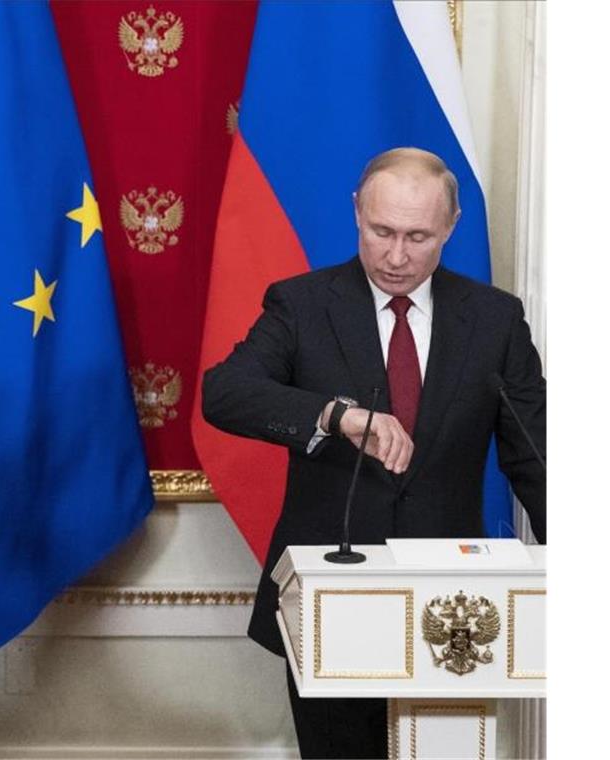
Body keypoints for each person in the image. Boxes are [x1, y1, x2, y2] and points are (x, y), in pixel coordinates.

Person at [201, 147, 545, 759]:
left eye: (418, 237)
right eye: (381, 231)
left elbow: (537, 460)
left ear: (452, 227)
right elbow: (224, 394)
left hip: (456, 610)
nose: (395, 256)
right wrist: (335, 416)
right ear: (357, 211)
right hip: (331, 598)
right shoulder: (301, 305)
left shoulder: (494, 321)